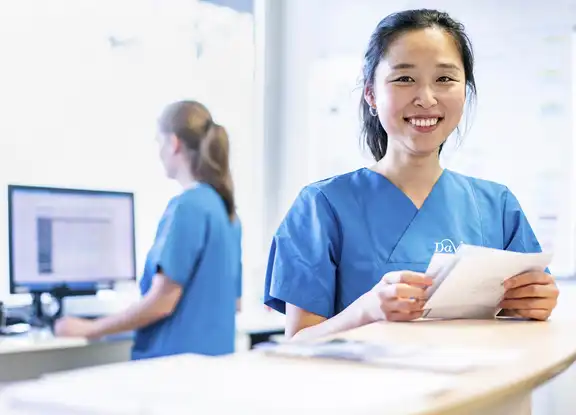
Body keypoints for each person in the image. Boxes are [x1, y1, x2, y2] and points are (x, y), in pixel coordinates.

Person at [263, 9, 559, 341]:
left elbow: (522, 321)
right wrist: (367, 310)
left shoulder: (498, 206)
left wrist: (535, 304)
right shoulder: (321, 207)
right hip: (365, 392)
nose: (426, 98)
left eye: (445, 79)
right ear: (371, 94)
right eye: (404, 78)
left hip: (477, 391)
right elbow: (297, 344)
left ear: (465, 91)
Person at [55, 100, 243, 359]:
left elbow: (162, 302)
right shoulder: (227, 211)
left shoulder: (189, 205)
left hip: (173, 373)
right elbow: (235, 303)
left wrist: (90, 328)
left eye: (159, 142)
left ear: (174, 143)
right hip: (211, 372)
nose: (158, 151)